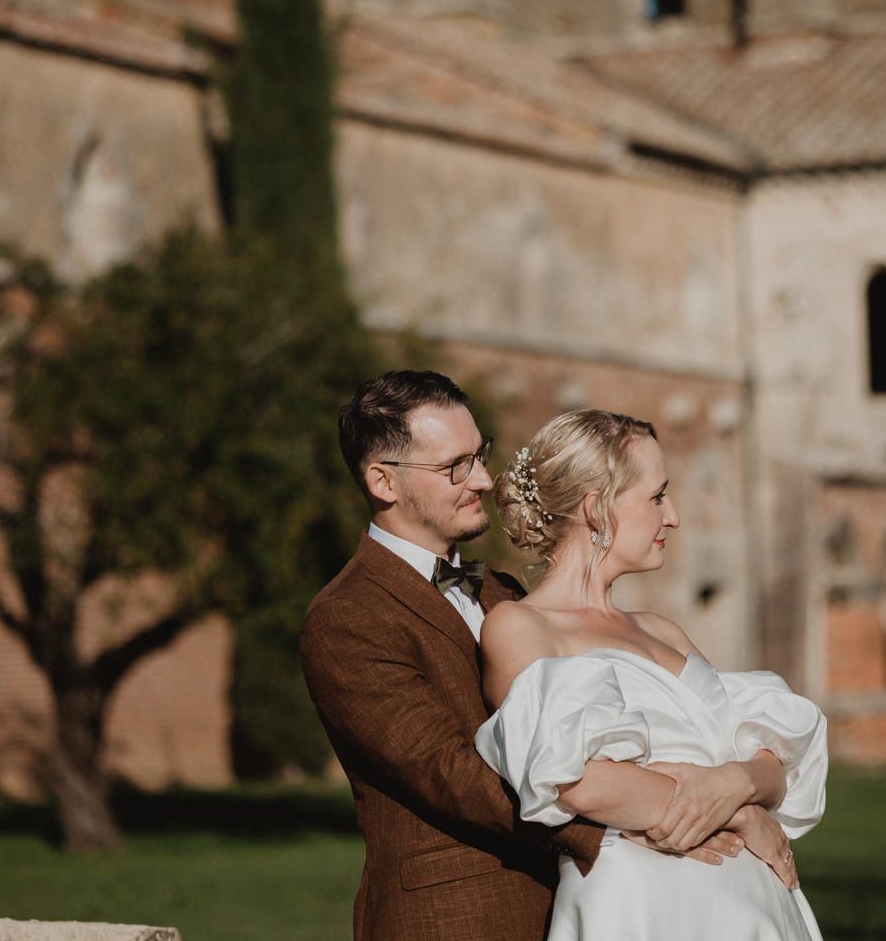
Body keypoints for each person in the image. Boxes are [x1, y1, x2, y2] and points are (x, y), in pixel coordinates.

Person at [300, 372, 748, 941]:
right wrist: (661, 814)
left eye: (479, 455)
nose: (484, 479)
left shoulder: (505, 594)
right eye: (454, 467)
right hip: (454, 917)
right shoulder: (347, 618)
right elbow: (450, 773)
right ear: (384, 482)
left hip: (581, 903)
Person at [477, 408, 828, 941]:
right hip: (643, 905)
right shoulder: (521, 627)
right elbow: (572, 781)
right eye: (657, 496)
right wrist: (740, 815)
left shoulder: (663, 631)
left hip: (756, 905)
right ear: (597, 510)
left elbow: (777, 763)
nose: (674, 517)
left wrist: (735, 781)